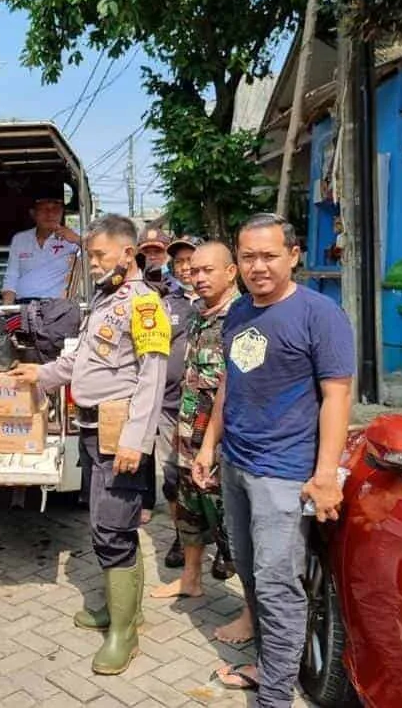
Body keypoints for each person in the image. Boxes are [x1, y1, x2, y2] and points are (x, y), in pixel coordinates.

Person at [193, 214, 355, 704]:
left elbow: (338, 397)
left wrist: (326, 474)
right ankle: (268, 665)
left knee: (279, 585)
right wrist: (208, 444)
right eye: (248, 257)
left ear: (293, 255)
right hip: (237, 463)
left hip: (283, 474)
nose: (258, 266)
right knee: (249, 568)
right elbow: (229, 383)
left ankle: (275, 695)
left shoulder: (319, 314)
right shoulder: (240, 311)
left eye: (268, 255)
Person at [10, 214, 168, 676]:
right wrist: (39, 374)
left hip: (121, 435)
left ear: (127, 252)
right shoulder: (106, 299)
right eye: (91, 255)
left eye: (99, 255)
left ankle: (125, 633)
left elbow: (152, 379)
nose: (93, 263)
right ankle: (120, 610)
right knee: (106, 523)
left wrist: (135, 443)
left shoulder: (143, 306)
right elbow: (80, 359)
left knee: (112, 527)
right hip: (94, 430)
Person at [148, 242, 253, 644]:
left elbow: (235, 389)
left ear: (231, 273)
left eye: (208, 270)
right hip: (188, 434)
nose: (199, 276)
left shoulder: (241, 319)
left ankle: (249, 613)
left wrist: (213, 445)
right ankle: (191, 580)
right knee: (188, 513)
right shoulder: (198, 316)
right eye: (194, 270)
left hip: (222, 443)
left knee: (233, 530)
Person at [136, 226, 188, 528]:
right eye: (148, 251)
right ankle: (145, 500)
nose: (153, 256)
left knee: (175, 462)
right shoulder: (132, 285)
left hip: (179, 395)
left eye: (158, 251)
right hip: (144, 381)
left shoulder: (177, 290)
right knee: (144, 444)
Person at [1, 183, 81, 305]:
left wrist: (77, 239)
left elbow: (98, 253)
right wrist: (7, 309)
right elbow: (11, 277)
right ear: (33, 213)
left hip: (57, 307)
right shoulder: (20, 239)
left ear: (62, 213)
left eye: (55, 209)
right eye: (44, 209)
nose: (50, 214)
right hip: (23, 305)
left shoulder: (74, 237)